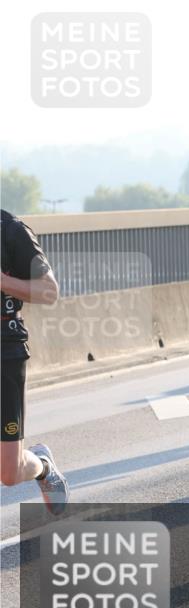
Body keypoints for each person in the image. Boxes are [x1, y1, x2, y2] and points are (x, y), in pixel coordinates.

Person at [0, 209, 69, 514]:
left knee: (9, 473)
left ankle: (43, 466)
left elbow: (48, 291)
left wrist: (2, 281)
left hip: (5, 348)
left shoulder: (10, 229)